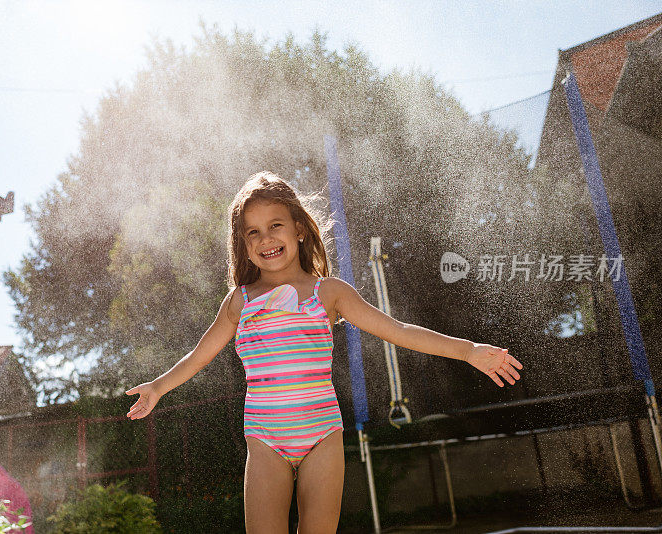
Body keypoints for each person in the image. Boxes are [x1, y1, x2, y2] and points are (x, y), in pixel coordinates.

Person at [126, 171, 523, 533]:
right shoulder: (239, 301)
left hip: (322, 437)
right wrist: (158, 387)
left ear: (299, 229)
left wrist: (468, 350)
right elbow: (200, 355)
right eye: (253, 233)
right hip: (266, 438)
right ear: (243, 245)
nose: (266, 239)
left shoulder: (327, 292)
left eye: (275, 226)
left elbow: (398, 331)